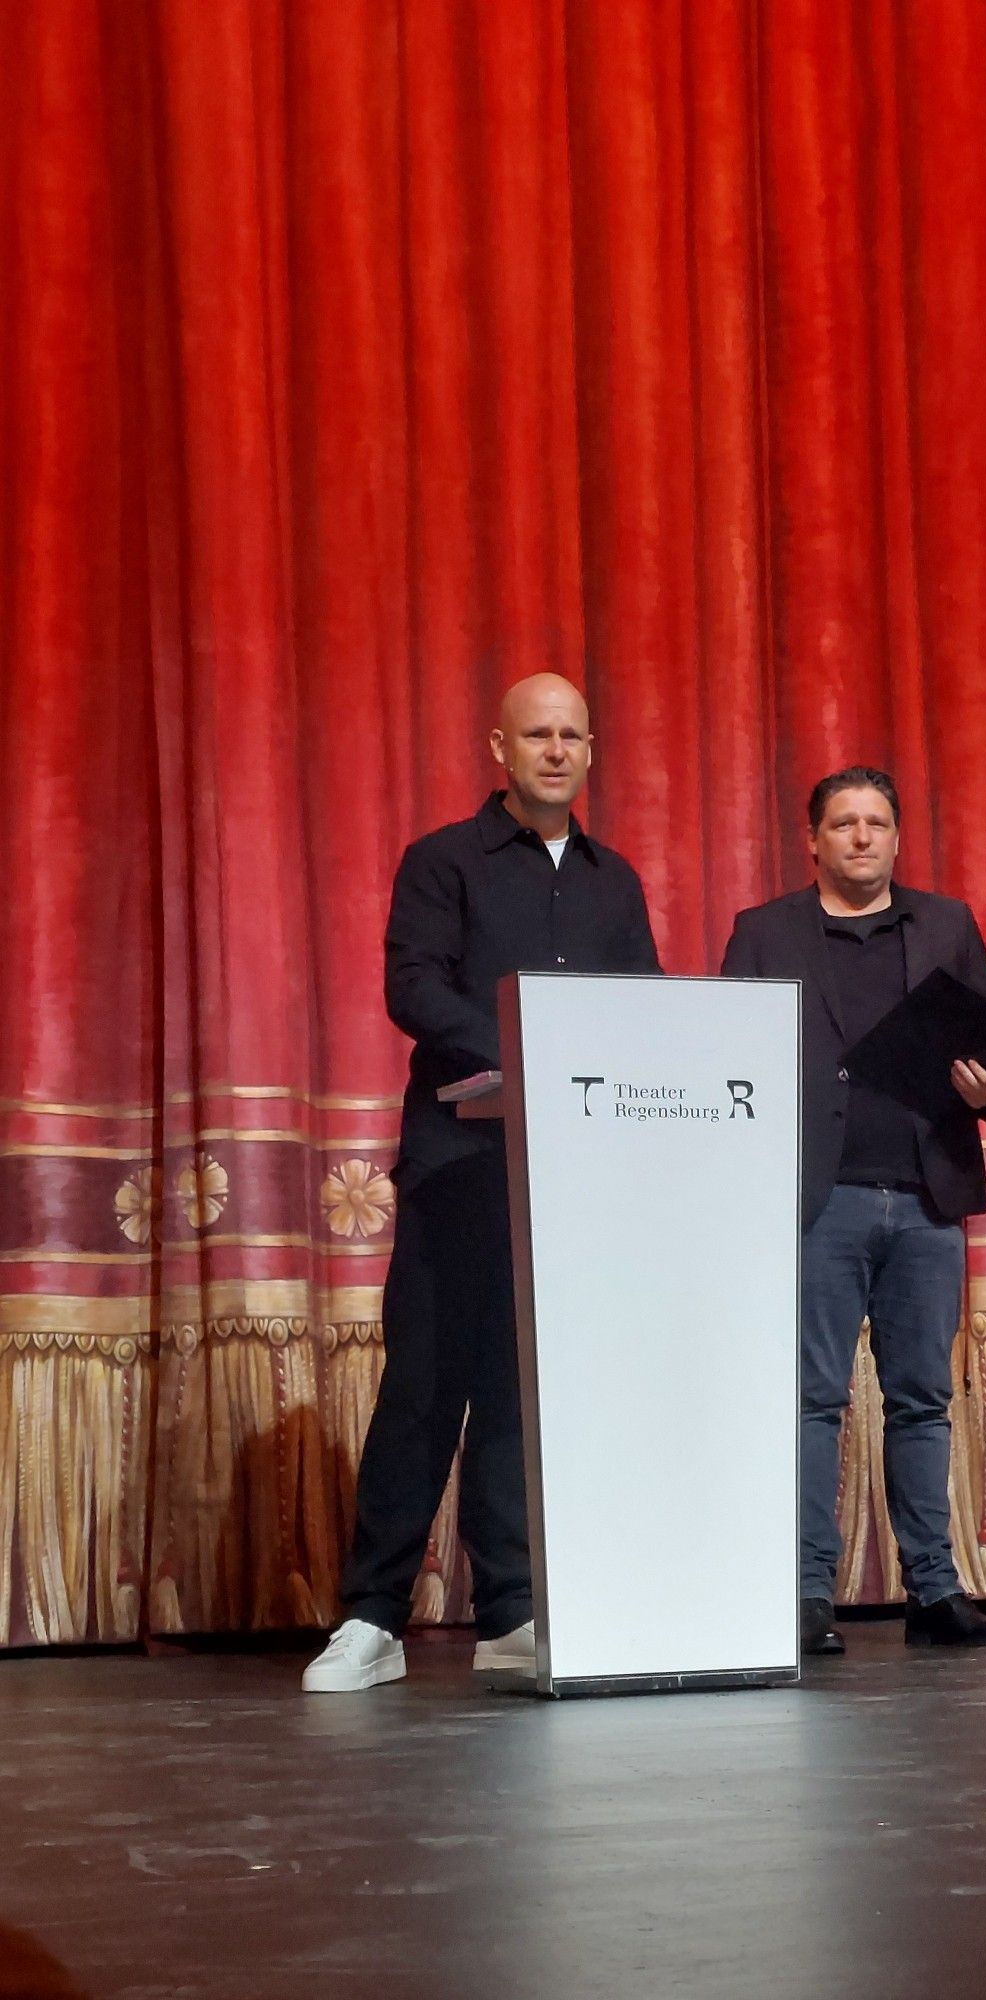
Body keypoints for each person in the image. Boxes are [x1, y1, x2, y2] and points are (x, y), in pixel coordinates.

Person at [304, 674, 660, 1692]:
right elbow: (414, 986)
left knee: (524, 1394)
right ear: (498, 747)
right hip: (461, 1164)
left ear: (591, 750)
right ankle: (373, 1616)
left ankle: (511, 1607)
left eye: (571, 735)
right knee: (423, 1387)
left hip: (572, 1173)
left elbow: (639, 1006)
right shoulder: (442, 861)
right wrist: (532, 1044)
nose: (555, 750)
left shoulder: (614, 880)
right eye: (536, 734)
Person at [721, 767, 986, 1656]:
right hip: (817, 1203)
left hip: (927, 1200)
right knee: (812, 1400)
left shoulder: (947, 924)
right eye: (844, 824)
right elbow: (728, 1063)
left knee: (923, 1400)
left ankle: (932, 1594)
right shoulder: (764, 932)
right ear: (811, 840)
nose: (862, 837)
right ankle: (807, 1597)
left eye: (878, 823)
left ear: (897, 838)